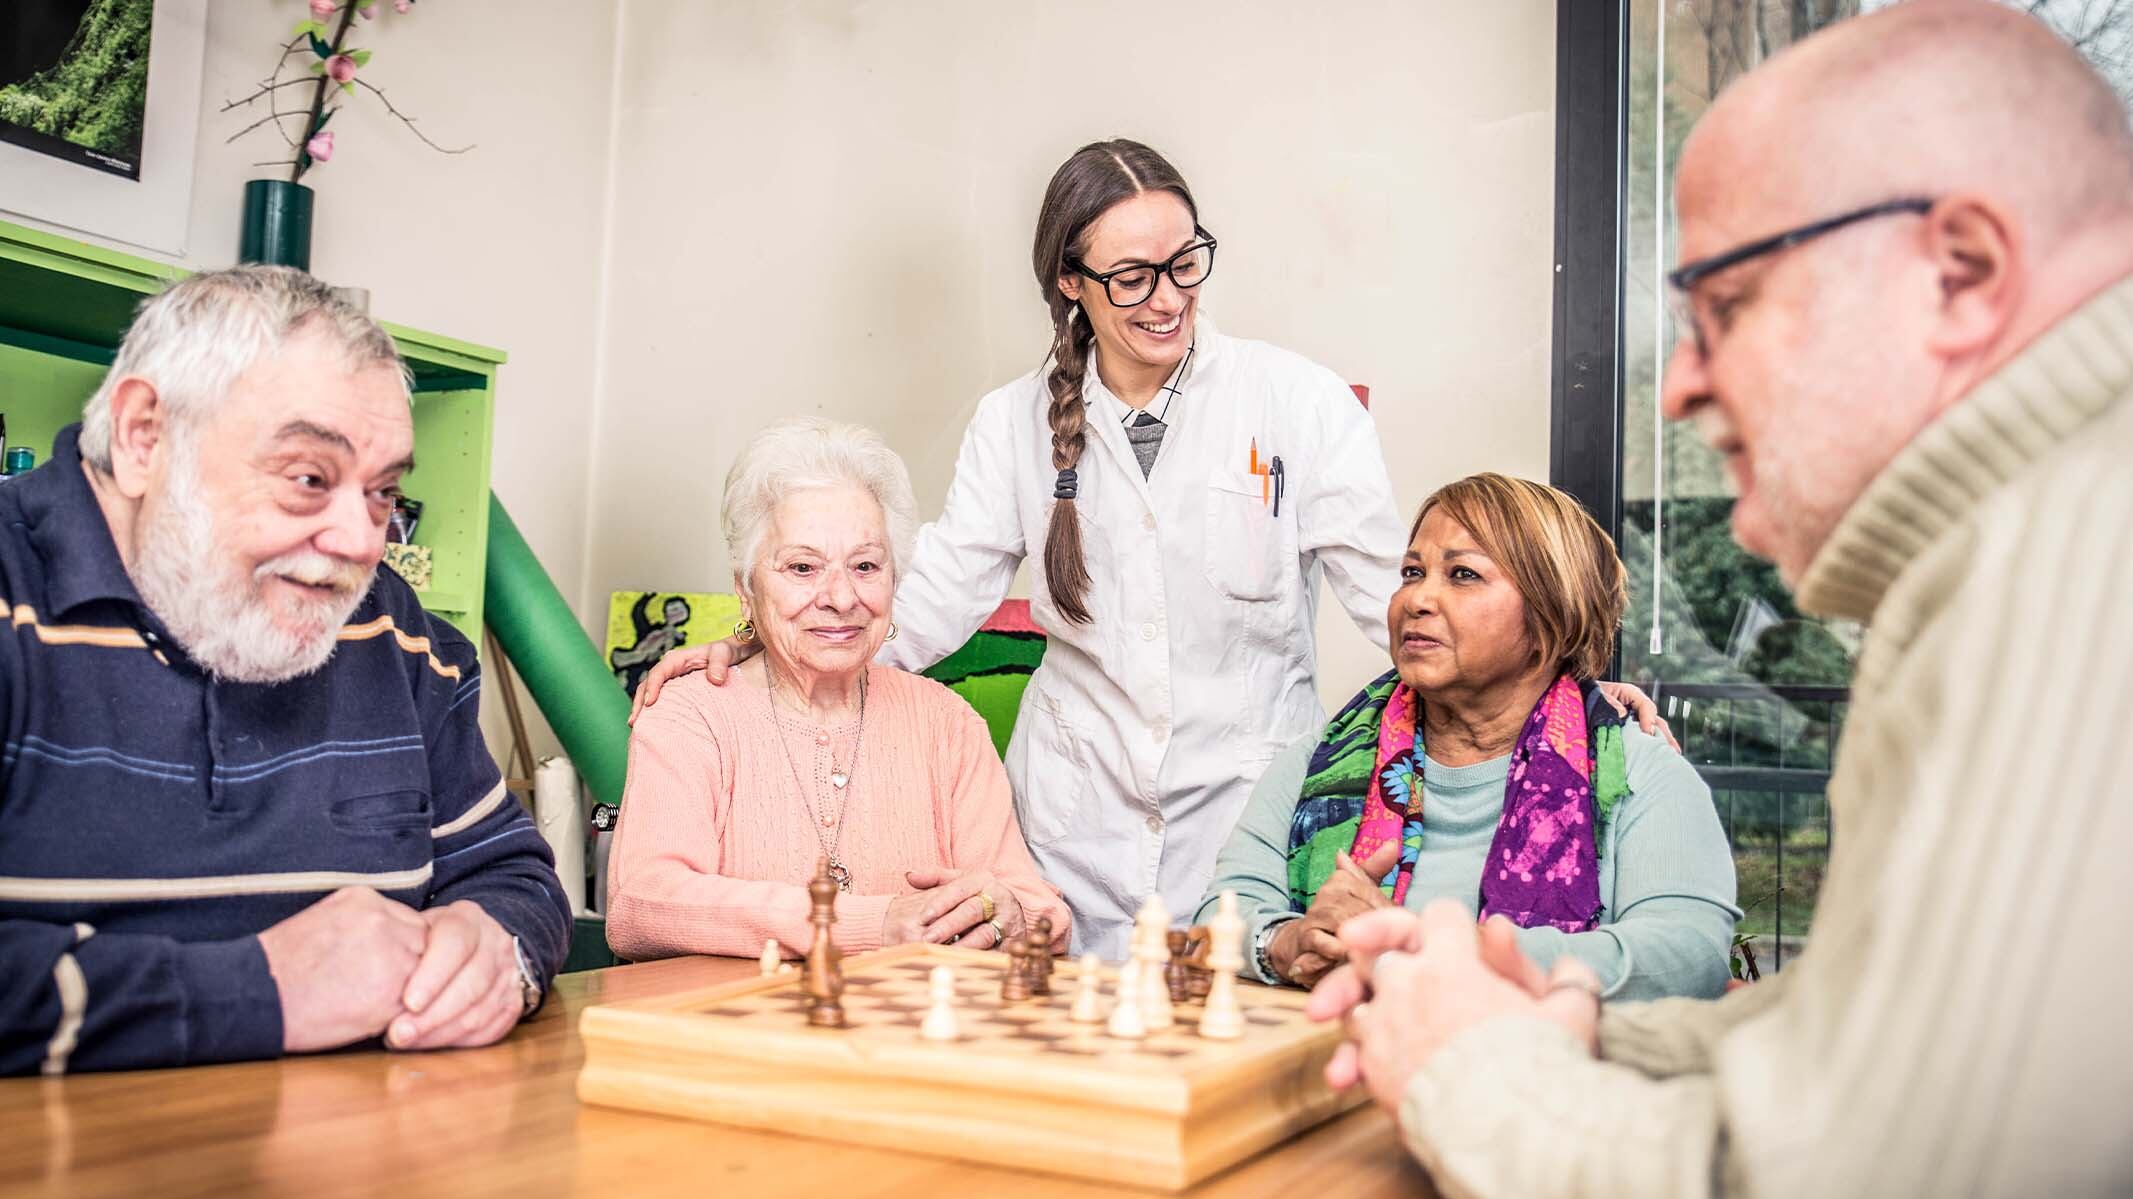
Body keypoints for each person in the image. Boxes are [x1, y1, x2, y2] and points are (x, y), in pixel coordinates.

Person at [1309, 3, 2133, 1193]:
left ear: (1962, 273)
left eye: (1727, 305)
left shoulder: (2064, 559)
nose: (1681, 386)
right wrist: (1569, 1029)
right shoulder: (2022, 538)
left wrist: (1469, 1068)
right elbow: (1864, 1045)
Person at [630, 140, 1665, 958]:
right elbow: (926, 600)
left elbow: (1394, 598)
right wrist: (760, 657)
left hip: (1244, 827)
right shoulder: (1012, 423)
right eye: (1129, 276)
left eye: (1183, 263)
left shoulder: (1296, 401)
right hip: (1071, 835)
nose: (1166, 297)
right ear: (1069, 282)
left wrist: (1561, 688)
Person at [0, 267, 571, 1075]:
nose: (361, 542)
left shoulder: (393, 628)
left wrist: (495, 948)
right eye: (309, 478)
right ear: (143, 437)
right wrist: (262, 988)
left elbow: (511, 872)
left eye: (382, 492)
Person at [1197, 474, 1734, 1002]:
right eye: (1412, 572)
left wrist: (1445, 954)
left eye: (1463, 574)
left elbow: (1686, 955)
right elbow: (1223, 910)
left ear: (1552, 615)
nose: (1417, 598)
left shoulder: (1642, 777)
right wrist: (1288, 942)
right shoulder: (1318, 762)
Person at [605, 419, 1068, 961]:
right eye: (803, 567)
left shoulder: (947, 722)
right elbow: (642, 905)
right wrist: (872, 924)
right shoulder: (691, 715)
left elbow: (1037, 911)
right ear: (746, 589)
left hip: (908, 1017)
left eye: (865, 565)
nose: (841, 597)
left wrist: (1011, 916)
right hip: (735, 1015)